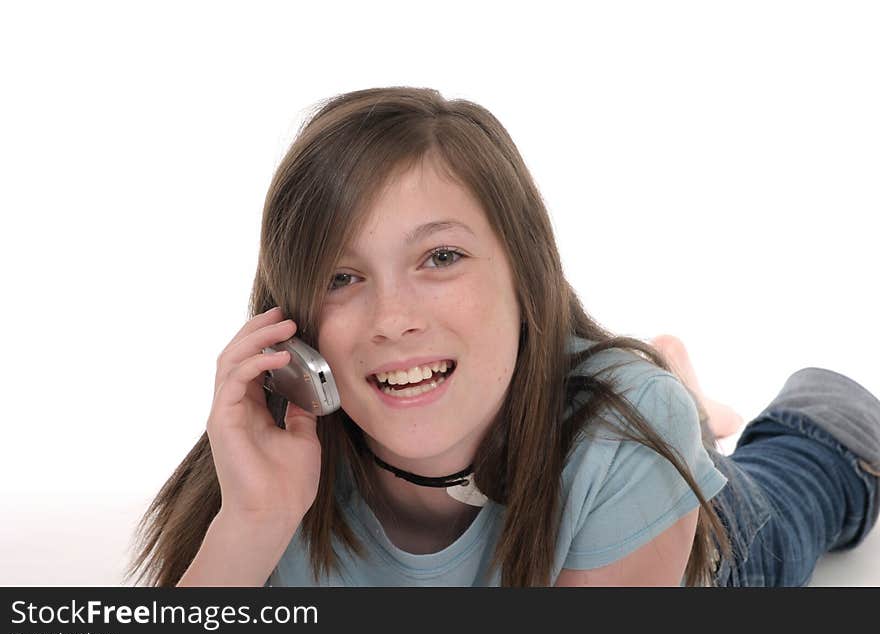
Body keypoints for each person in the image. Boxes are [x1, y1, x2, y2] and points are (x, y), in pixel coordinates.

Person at [125, 86, 880, 587]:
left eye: (441, 257)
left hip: (684, 546)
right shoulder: (277, 467)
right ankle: (681, 397)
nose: (393, 318)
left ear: (527, 278)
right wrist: (252, 520)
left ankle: (767, 423)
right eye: (341, 277)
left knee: (788, 492)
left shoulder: (619, 451)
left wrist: (652, 416)